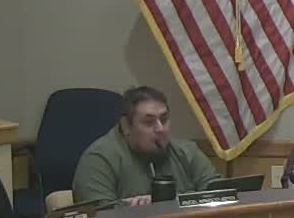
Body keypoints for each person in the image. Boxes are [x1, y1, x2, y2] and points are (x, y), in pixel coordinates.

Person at [72, 86, 220, 205]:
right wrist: (133, 209)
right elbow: (98, 217)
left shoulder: (187, 151)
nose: (160, 129)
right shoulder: (99, 159)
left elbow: (220, 195)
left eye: (164, 119)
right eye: (149, 122)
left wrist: (172, 201)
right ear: (126, 126)